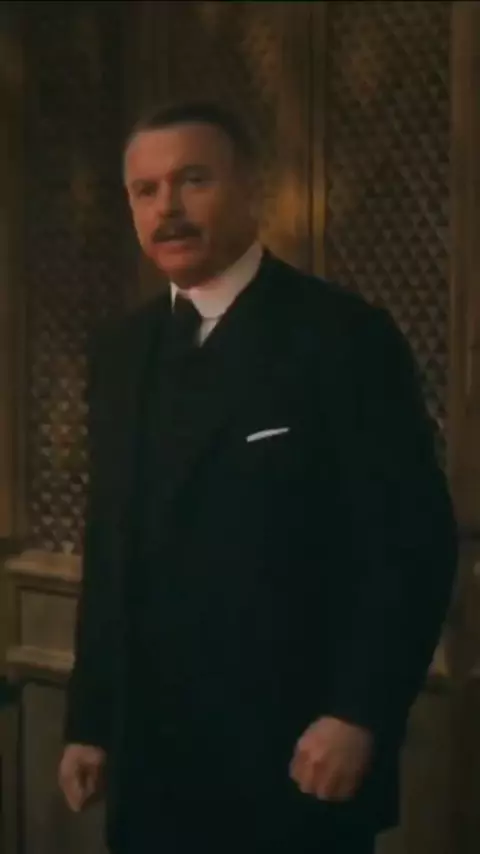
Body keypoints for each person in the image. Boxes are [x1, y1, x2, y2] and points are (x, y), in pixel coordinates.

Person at [59, 101, 457, 854]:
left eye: (193, 180)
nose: (167, 208)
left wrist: (359, 713)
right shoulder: (121, 351)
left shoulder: (342, 336)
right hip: (151, 765)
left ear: (251, 189)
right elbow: (111, 548)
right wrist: (90, 722)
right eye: (145, 190)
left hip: (294, 760)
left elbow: (410, 546)